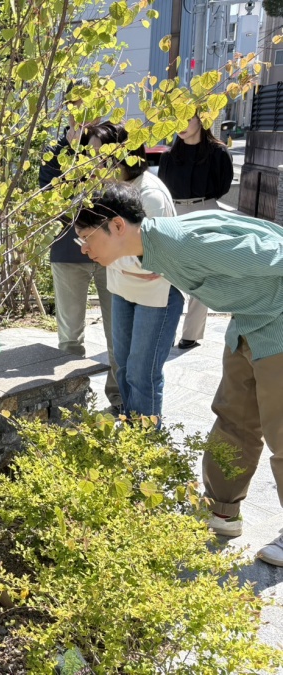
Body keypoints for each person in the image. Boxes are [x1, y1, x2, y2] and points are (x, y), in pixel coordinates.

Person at [73, 181, 283, 565]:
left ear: (117, 226)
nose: (84, 249)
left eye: (86, 238)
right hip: (247, 324)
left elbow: (273, 250)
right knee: (234, 418)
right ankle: (222, 512)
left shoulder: (183, 244)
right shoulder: (157, 245)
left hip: (278, 325)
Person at [85, 122, 183, 420]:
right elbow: (112, 250)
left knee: (142, 373)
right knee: (123, 367)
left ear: (124, 154)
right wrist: (118, 257)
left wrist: (111, 256)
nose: (93, 164)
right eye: (90, 155)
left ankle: (145, 441)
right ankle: (131, 431)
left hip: (156, 296)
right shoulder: (106, 190)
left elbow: (152, 260)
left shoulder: (150, 193)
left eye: (101, 156)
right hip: (122, 289)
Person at [39, 80, 122, 413]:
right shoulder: (56, 150)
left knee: (118, 331)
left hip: (111, 251)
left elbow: (117, 193)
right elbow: (51, 198)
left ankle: (119, 399)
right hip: (68, 250)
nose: (82, 112)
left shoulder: (111, 144)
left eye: (88, 104)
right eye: (75, 104)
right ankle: (72, 403)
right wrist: (71, 155)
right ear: (67, 108)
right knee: (70, 336)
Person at [158, 115, 234, 350]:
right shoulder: (169, 156)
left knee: (202, 275)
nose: (181, 124)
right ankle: (164, 331)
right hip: (174, 212)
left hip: (206, 209)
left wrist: (203, 204)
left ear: (202, 120)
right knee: (168, 273)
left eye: (187, 118)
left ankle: (190, 334)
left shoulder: (218, 153)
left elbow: (223, 185)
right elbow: (163, 186)